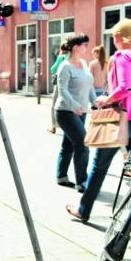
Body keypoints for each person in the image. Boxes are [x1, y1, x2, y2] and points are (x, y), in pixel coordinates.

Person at [67, 19, 131, 222]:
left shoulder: (122, 56)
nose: (113, 41)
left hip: (121, 121)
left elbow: (123, 88)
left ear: (120, 37)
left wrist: (105, 100)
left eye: (113, 37)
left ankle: (83, 209)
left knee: (99, 167)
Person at [53, 33, 97, 192]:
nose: (87, 47)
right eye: (85, 44)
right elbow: (62, 89)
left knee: (69, 145)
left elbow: (89, 85)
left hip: (82, 111)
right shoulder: (65, 66)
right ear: (76, 47)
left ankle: (61, 176)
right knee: (82, 144)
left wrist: (95, 102)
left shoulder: (84, 63)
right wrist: (74, 105)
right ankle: (82, 182)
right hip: (66, 112)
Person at [48, 42, 69, 134]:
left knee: (54, 104)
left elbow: (53, 69)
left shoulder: (62, 57)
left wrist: (60, 57)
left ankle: (53, 126)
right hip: (71, 84)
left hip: (60, 84)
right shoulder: (73, 57)